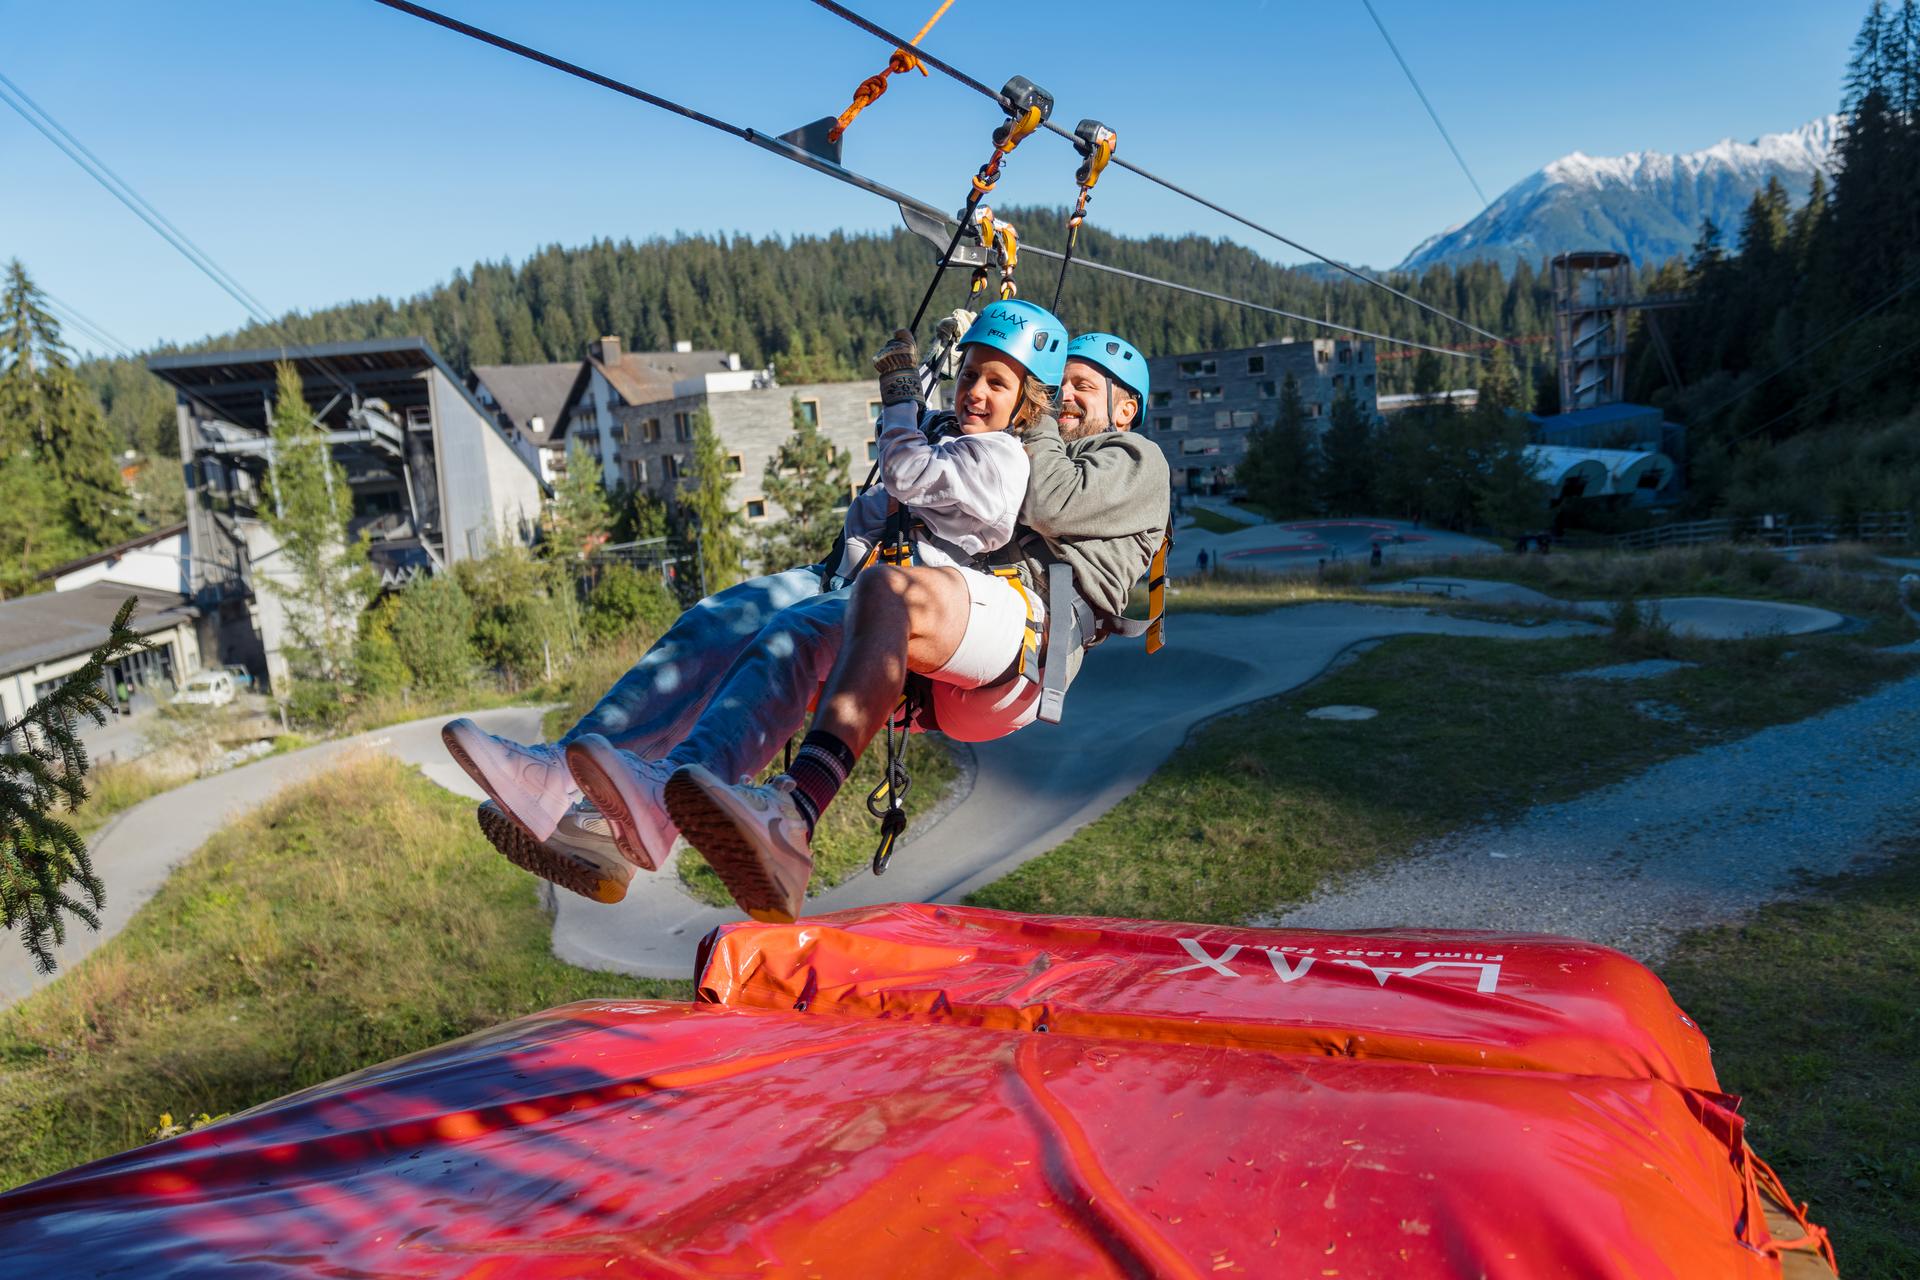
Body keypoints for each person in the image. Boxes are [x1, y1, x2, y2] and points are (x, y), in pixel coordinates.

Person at [443, 302, 1054, 903]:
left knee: (788, 637)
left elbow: (904, 470)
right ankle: (553, 776)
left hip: (892, 606)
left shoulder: (1000, 461)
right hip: (842, 577)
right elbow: (916, 438)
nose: (976, 391)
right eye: (970, 374)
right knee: (712, 622)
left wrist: (897, 395)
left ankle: (669, 790)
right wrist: (925, 373)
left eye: (996, 384)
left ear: (1025, 404)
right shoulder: (952, 433)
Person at [659, 332, 1167, 922]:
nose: (1065, 397)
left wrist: (1035, 409)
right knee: (780, 639)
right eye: (1059, 384)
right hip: (956, 644)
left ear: (1126, 408)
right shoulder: (1036, 446)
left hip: (1029, 641)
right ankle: (671, 794)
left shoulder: (1135, 459)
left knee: (888, 590)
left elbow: (1050, 501)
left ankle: (797, 809)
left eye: (1081, 387)